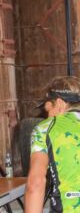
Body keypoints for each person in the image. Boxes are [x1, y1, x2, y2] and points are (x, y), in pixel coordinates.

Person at [25, 76, 80, 213]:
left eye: (48, 109)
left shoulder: (46, 128)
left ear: (60, 103)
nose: (47, 116)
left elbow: (36, 183)